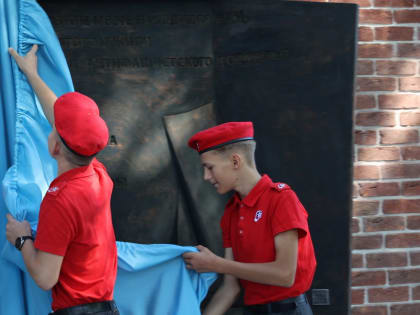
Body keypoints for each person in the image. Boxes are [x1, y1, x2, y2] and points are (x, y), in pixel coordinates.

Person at [5, 45, 119, 315]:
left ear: (54, 147)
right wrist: (31, 74)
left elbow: (46, 277)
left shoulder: (60, 200)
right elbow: (60, 116)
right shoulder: (98, 175)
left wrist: (22, 239)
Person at [182, 121, 316, 315]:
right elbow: (230, 288)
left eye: (210, 167)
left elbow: (285, 275)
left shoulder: (281, 199)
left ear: (236, 162)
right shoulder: (231, 213)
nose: (206, 176)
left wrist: (216, 264)